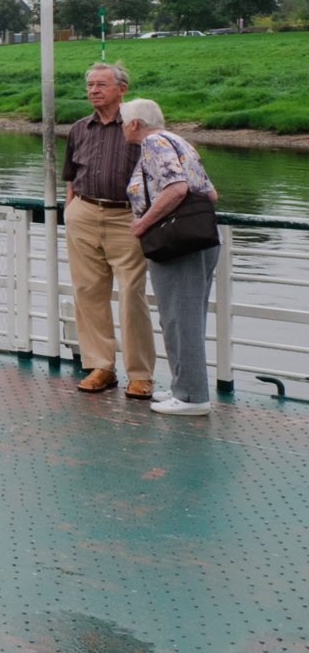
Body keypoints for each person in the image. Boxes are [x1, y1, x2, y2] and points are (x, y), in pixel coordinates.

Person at [121, 99, 223, 416]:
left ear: (135, 123)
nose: (122, 128)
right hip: (198, 241)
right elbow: (210, 194)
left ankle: (193, 397)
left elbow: (176, 188)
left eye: (123, 122)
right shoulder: (179, 141)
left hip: (179, 246)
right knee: (181, 317)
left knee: (181, 319)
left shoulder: (153, 143)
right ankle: (183, 386)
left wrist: (144, 222)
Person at [62, 62, 152, 399]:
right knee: (87, 291)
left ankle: (140, 374)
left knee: (131, 294)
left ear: (121, 89)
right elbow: (71, 172)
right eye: (89, 85)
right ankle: (101, 366)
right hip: (84, 212)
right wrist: (71, 207)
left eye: (101, 85)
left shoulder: (136, 126)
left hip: (126, 218)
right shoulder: (79, 129)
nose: (93, 91)